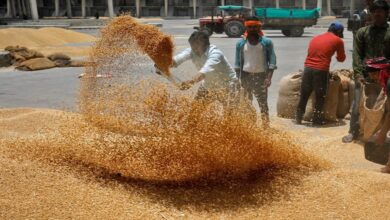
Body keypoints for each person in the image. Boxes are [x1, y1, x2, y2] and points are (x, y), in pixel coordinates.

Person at [342, 0, 390, 143]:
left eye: (380, 11)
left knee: (384, 107)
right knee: (357, 105)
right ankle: (353, 132)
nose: (377, 14)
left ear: (387, 13)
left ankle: (381, 134)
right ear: (370, 13)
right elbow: (357, 54)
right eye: (374, 11)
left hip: (386, 76)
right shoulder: (363, 32)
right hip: (365, 75)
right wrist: (358, 74)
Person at [158, 31, 238, 109]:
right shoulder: (191, 51)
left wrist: (189, 83)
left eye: (196, 46)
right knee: (195, 110)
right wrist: (163, 63)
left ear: (205, 44)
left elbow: (203, 73)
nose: (194, 49)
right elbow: (176, 60)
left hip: (227, 86)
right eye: (192, 46)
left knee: (229, 114)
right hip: (208, 85)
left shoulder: (215, 54)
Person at [295, 21, 346, 125]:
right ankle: (317, 120)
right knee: (320, 95)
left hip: (307, 68)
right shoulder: (338, 40)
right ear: (339, 31)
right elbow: (341, 59)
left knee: (304, 95)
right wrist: (336, 55)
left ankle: (298, 118)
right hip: (321, 70)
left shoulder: (315, 38)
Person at [234, 16, 277, 126]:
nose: (253, 29)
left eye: (255, 27)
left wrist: (268, 78)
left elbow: (272, 61)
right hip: (245, 77)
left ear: (259, 27)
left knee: (263, 104)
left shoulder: (267, 43)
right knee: (247, 103)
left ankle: (265, 127)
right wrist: (237, 80)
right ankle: (250, 126)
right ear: (246, 28)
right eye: (250, 27)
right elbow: (237, 64)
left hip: (261, 77)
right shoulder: (240, 44)